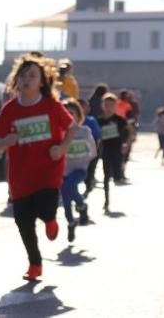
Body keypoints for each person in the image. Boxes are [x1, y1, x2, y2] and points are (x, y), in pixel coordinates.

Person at [0, 55, 74, 281]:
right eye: (22, 75)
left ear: (42, 81)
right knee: (23, 221)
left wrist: (62, 148)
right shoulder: (10, 109)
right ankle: (35, 263)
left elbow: (71, 127)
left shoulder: (50, 105)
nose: (26, 79)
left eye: (32, 76)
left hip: (48, 169)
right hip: (20, 175)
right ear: (15, 79)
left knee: (46, 206)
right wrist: (7, 140)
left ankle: (50, 219)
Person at [60, 100, 96, 243]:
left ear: (79, 116)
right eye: (66, 113)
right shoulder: (61, 133)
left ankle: (81, 205)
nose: (69, 116)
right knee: (66, 197)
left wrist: (86, 161)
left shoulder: (84, 131)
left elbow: (92, 149)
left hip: (79, 169)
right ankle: (70, 222)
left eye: (72, 113)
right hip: (64, 171)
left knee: (70, 186)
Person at [96, 93, 131, 211]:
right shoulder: (99, 120)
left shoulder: (119, 120)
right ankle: (106, 201)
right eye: (107, 105)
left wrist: (127, 144)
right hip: (105, 151)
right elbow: (95, 135)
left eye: (111, 105)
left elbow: (130, 131)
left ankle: (118, 174)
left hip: (118, 150)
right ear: (103, 106)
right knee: (106, 177)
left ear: (115, 106)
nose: (109, 107)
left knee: (117, 177)